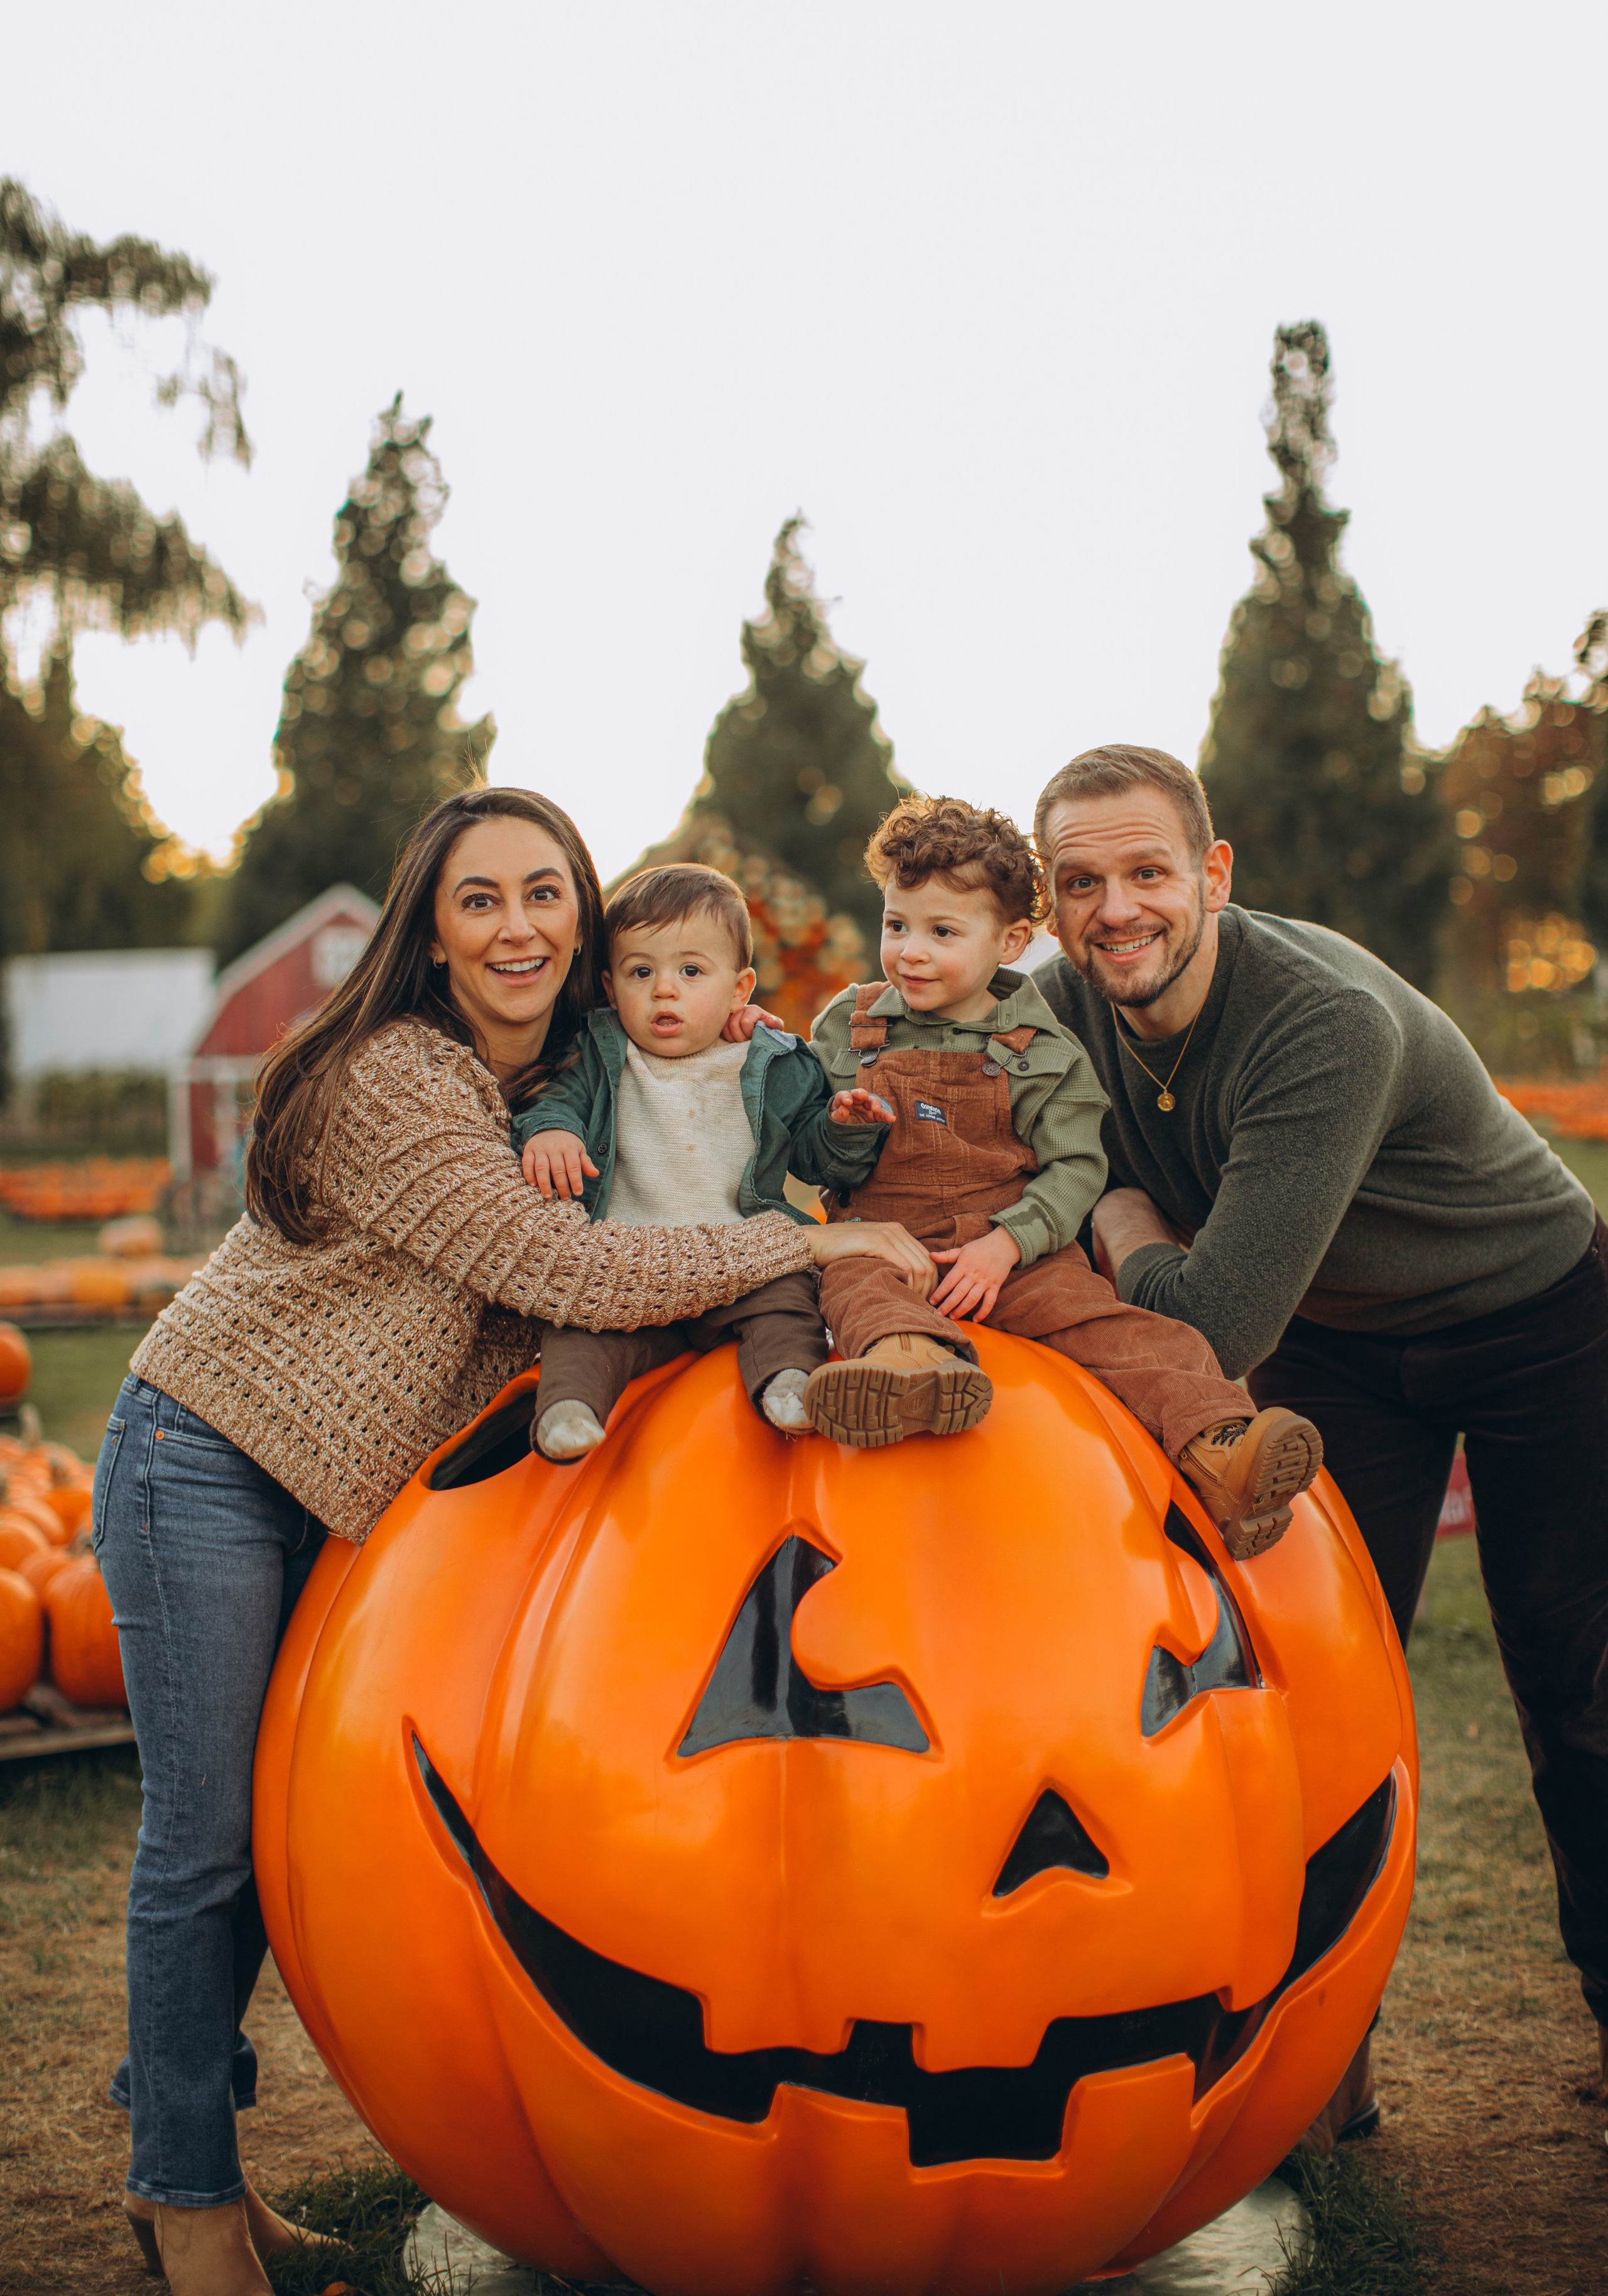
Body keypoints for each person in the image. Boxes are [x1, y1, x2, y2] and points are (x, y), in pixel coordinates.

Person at [92, 787, 933, 2296]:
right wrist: (802, 1242)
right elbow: (553, 1262)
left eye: (546, 894)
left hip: (334, 1495)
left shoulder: (577, 1078)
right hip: (204, 1455)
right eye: (479, 899)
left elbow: (641, 1237)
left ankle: (191, 2170)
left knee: (270, 1850)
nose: (518, 925)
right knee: (207, 1847)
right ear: (429, 927)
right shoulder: (403, 1077)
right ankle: (186, 2194)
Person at [1031, 740, 1608, 2140]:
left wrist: (1106, 1207)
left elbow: (1212, 1315)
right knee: (1302, 1688)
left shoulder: (1319, 1023)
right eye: (1079, 882)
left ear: (1212, 876)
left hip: (1532, 1313)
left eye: (1147, 872)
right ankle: (1308, 2058)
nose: (1116, 909)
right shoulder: (1052, 1012)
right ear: (1047, 904)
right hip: (1340, 1345)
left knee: (1568, 1670)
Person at [800, 796, 1325, 1557]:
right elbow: (809, 1159)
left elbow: (1079, 1166)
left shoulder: (1044, 1048)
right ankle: (907, 1368)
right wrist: (839, 1130)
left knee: (1120, 1332)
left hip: (1014, 1254)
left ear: (1010, 940)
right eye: (896, 925)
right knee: (851, 1283)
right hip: (889, 1240)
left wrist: (1007, 1246)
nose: (910, 951)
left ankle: (1221, 1445)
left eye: (941, 932)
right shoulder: (849, 1026)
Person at [513, 861, 894, 1457]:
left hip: (745, 1259)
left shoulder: (773, 1062)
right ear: (612, 989)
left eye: (692, 971)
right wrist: (554, 1130)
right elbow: (555, 1099)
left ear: (740, 990)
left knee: (788, 1302)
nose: (665, 988)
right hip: (630, 1271)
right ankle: (569, 1412)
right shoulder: (600, 1051)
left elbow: (816, 1163)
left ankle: (789, 1385)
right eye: (642, 972)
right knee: (577, 1330)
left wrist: (843, 1128)